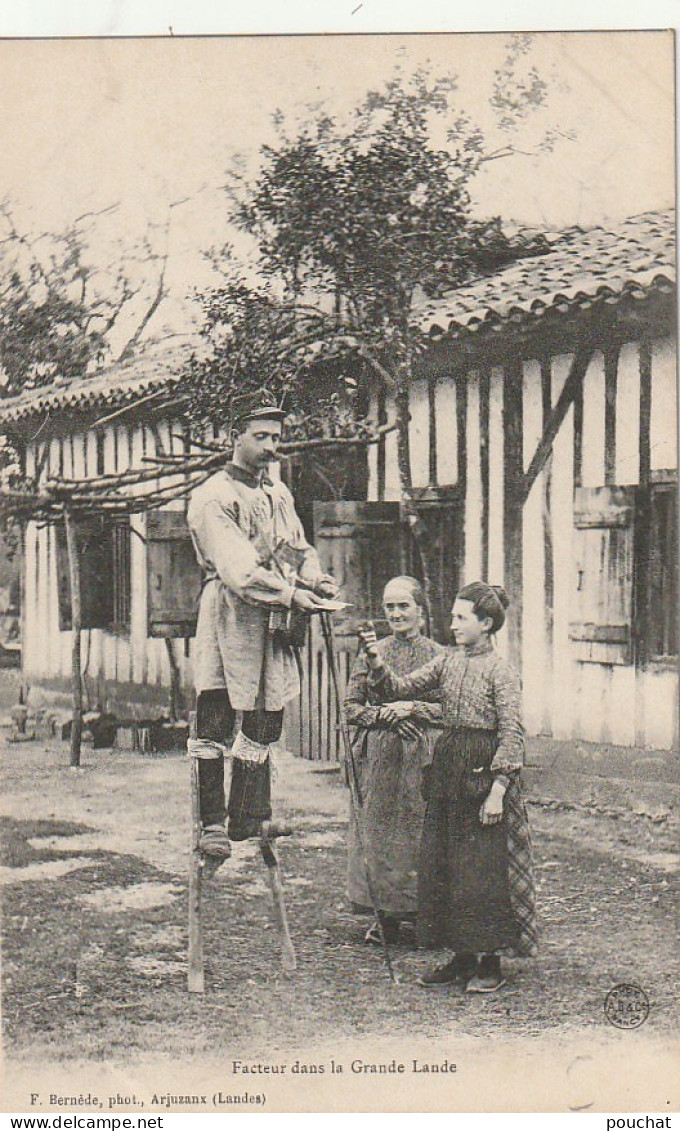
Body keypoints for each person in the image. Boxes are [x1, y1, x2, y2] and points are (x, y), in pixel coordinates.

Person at [358, 582, 537, 992]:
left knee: (482, 870)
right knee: (446, 863)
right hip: (449, 764)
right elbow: (398, 689)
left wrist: (498, 790)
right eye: (453, 616)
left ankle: (489, 962)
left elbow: (512, 735)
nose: (452, 625)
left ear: (486, 624)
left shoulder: (502, 673)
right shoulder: (448, 663)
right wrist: (373, 656)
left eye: (461, 618)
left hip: (482, 771)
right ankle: (461, 956)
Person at [187, 390, 338, 858]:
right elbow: (239, 569)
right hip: (230, 613)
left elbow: (295, 547)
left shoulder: (277, 492)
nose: (271, 446)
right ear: (234, 437)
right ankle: (211, 823)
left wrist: (316, 578)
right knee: (215, 715)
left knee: (266, 715)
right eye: (260, 436)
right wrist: (292, 592)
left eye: (276, 437)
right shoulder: (213, 496)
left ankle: (248, 815)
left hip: (272, 615)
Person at [344, 577, 444, 945]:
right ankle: (384, 917)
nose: (397, 614)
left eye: (404, 606)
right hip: (382, 759)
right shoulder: (373, 652)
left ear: (420, 609)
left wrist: (414, 713)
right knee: (380, 836)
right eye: (390, 607)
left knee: (418, 835)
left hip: (421, 758)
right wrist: (386, 717)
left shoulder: (439, 655)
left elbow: (451, 709)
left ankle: (422, 914)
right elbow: (351, 708)